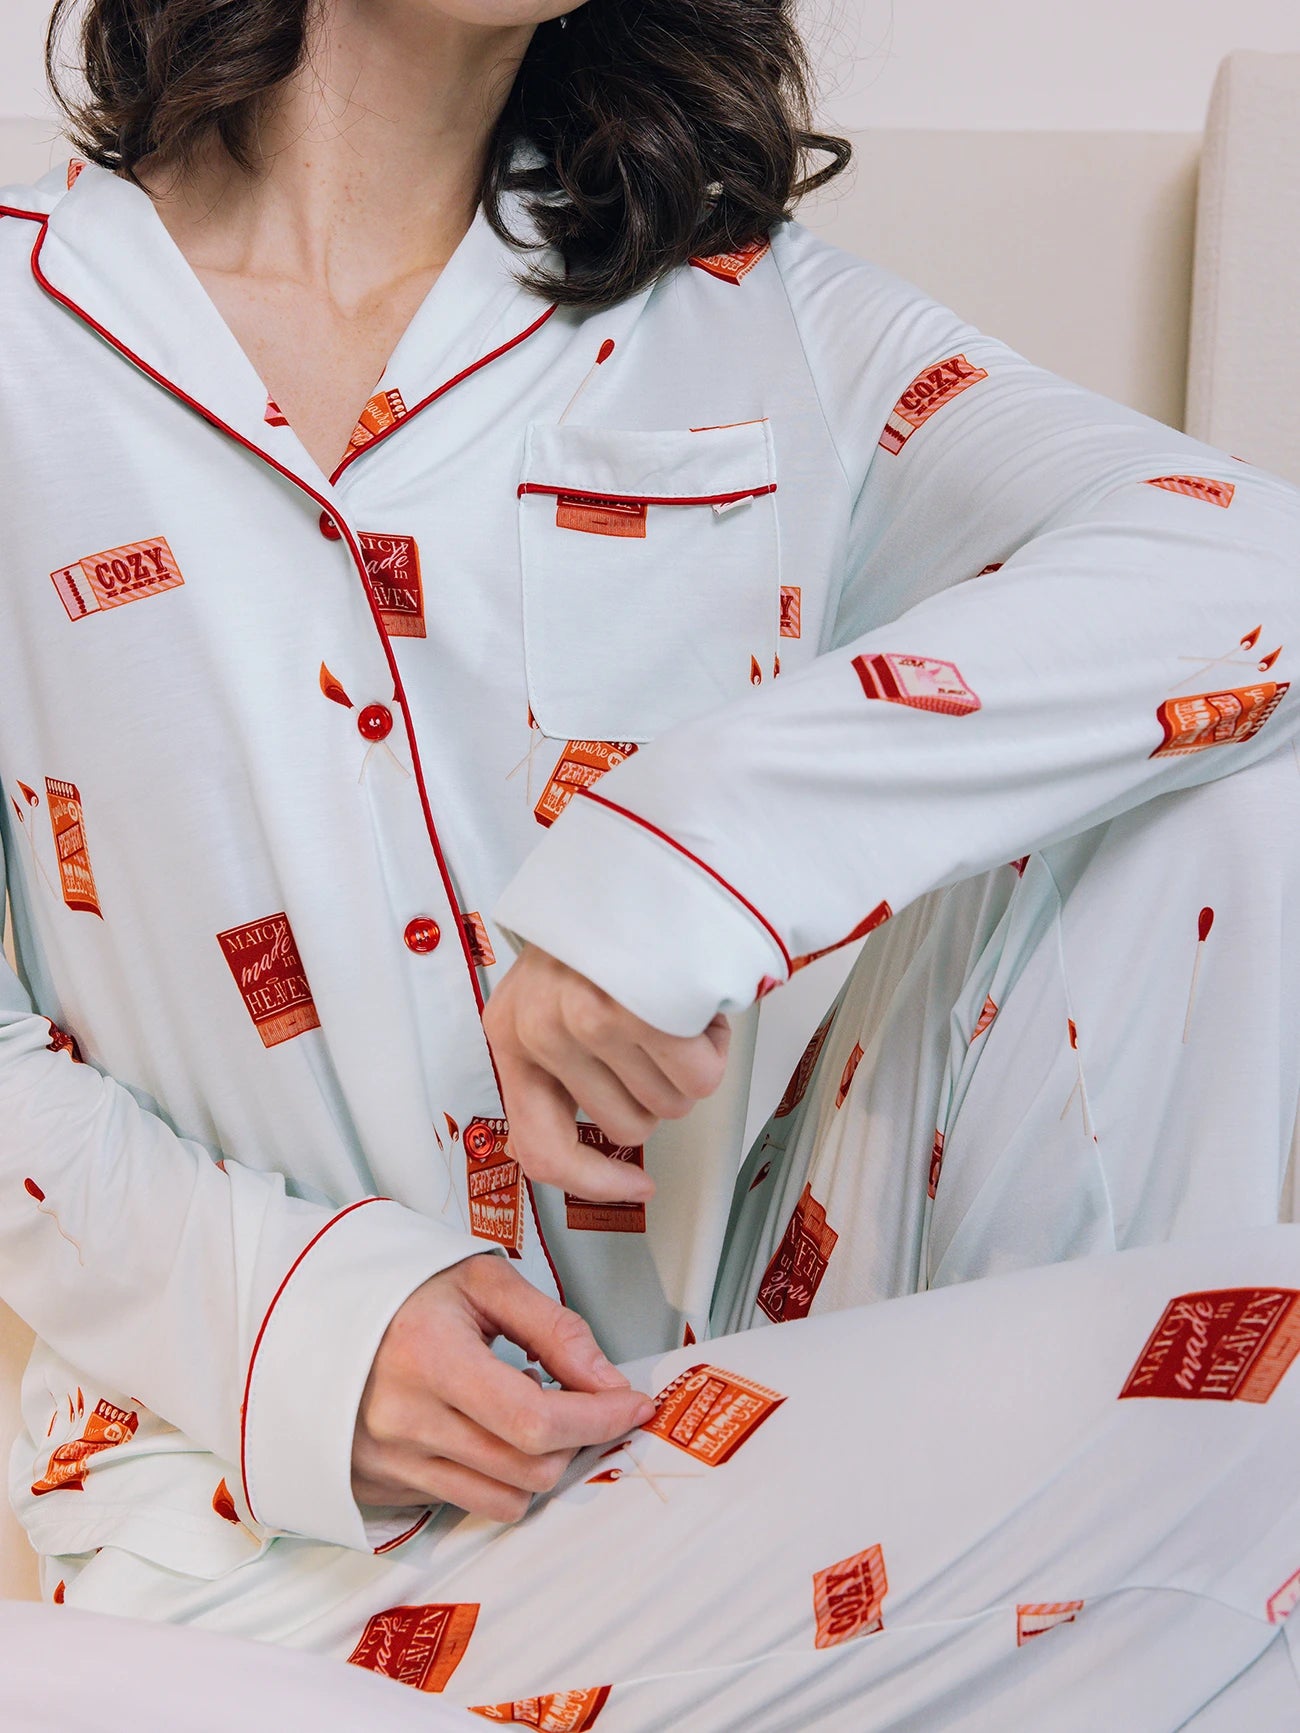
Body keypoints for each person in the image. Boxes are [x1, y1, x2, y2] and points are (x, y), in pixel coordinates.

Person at [2, 0, 1299, 1721]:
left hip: (700, 1411)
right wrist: (308, 1330)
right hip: (259, 1538)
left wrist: (683, 862)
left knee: (1205, 772)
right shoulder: (30, 341)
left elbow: (1249, 572)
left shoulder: (740, 316)